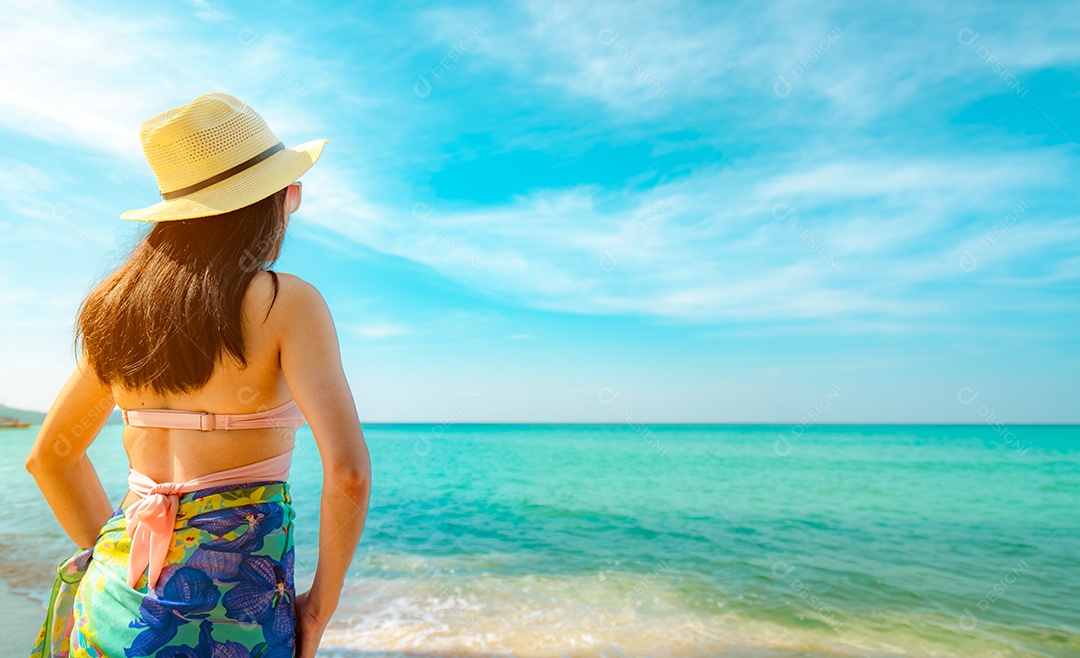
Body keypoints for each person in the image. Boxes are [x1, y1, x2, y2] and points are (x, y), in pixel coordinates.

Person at [24, 92, 371, 658]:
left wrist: (131, 572)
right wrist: (318, 607)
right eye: (292, 193)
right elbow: (349, 472)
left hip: (113, 602)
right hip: (232, 617)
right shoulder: (287, 303)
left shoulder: (115, 309)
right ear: (267, 202)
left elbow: (50, 458)